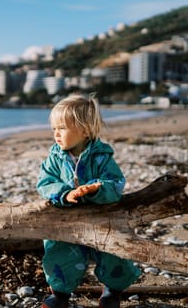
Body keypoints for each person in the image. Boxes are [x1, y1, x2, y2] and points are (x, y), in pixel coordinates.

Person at [36, 94, 140, 308]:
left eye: (62, 128)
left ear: (84, 131)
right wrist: (65, 194)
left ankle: (112, 291)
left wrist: (96, 188)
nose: (56, 133)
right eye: (54, 128)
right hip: (67, 220)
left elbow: (116, 183)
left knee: (114, 254)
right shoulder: (54, 159)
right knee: (59, 255)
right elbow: (45, 184)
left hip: (102, 217)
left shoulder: (102, 157)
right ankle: (60, 295)